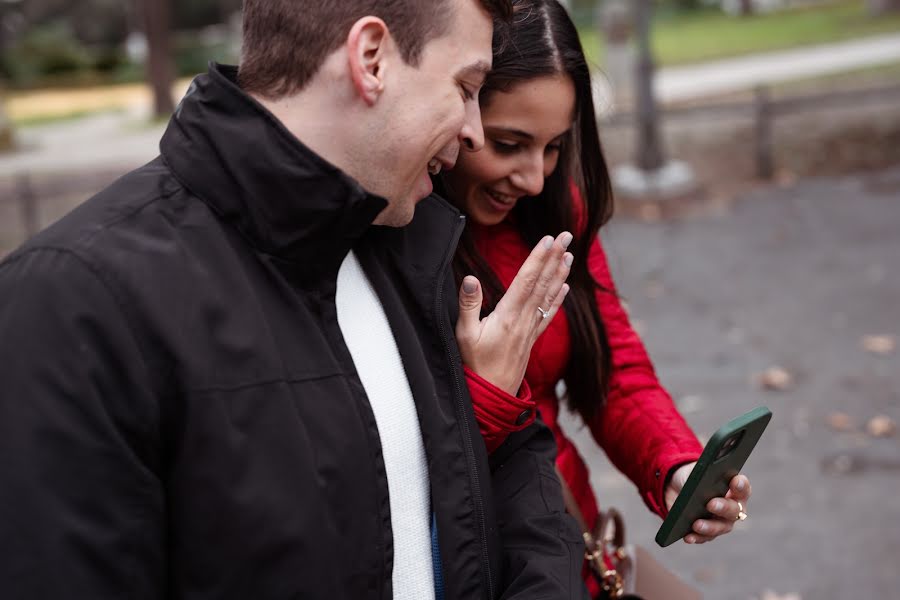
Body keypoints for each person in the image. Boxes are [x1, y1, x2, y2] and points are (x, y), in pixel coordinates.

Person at [0, 1, 589, 598]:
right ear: (371, 59)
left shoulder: (416, 241)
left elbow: (520, 477)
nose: (473, 131)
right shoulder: (69, 303)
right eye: (466, 86)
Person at [438, 1, 753, 596]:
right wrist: (487, 396)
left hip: (572, 538)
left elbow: (616, 374)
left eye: (555, 146)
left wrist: (676, 468)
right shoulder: (402, 237)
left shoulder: (555, 210)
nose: (534, 175)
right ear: (457, 108)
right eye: (508, 144)